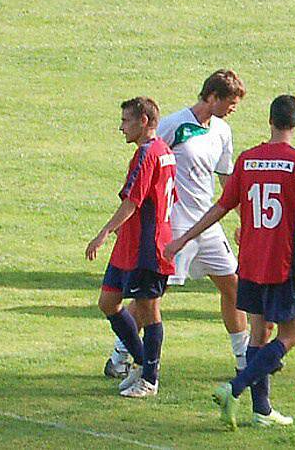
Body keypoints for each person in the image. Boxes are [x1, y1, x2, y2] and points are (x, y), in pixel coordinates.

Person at [165, 94, 295, 429]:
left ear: (270, 121)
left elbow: (220, 206)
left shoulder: (247, 160)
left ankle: (262, 411)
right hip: (282, 262)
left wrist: (183, 239)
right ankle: (235, 387)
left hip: (251, 261)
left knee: (259, 334)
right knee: (291, 334)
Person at [103, 70, 251, 379]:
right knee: (150, 300)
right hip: (176, 227)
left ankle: (243, 362)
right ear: (212, 97)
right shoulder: (173, 125)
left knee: (233, 287)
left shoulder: (223, 131)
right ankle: (120, 355)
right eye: (231, 102)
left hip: (207, 225)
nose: (234, 108)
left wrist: (243, 219)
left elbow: (225, 180)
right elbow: (149, 157)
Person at [86, 97, 178, 398]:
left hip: (147, 247)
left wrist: (103, 233)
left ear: (143, 121)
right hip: (131, 244)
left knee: (150, 311)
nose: (121, 127)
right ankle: (141, 362)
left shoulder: (147, 154)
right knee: (108, 302)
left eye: (126, 121)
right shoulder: (164, 151)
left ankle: (149, 378)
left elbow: (132, 201)